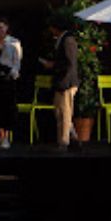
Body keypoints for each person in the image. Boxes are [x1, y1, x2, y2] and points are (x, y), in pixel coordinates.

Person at [39, 14, 79, 149]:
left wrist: (53, 66)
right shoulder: (62, 39)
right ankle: (74, 138)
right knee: (60, 111)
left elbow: (69, 63)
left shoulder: (67, 40)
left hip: (65, 82)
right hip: (61, 81)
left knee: (64, 113)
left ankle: (64, 142)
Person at [0, 17, 22, 149]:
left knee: (7, 109)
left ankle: (6, 138)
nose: (0, 30)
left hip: (9, 78)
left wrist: (12, 74)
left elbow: (17, 61)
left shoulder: (14, 42)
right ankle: (0, 136)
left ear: (7, 28)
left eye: (2, 27)